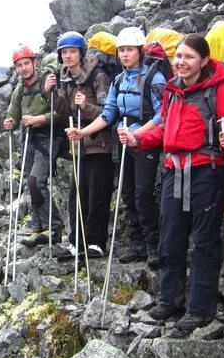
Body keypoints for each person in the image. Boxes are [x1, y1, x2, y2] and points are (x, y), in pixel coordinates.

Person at [118, 34, 224, 334]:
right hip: (175, 168)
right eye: (178, 56)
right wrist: (139, 138)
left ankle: (200, 309)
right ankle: (169, 299)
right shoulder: (174, 91)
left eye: (188, 57)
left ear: (203, 60)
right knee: (170, 237)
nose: (181, 62)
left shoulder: (219, 90)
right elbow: (165, 131)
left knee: (204, 240)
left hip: (207, 171)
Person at [66, 26, 165, 267]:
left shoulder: (154, 77)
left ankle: (153, 246)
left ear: (140, 51)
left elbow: (163, 113)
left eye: (129, 49)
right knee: (128, 193)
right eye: (121, 50)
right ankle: (137, 244)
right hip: (123, 138)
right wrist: (83, 132)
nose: (124, 54)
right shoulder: (119, 79)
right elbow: (109, 113)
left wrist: (137, 133)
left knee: (143, 193)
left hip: (145, 140)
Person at [45, 31, 114, 262]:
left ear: (81, 53)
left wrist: (85, 106)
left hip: (99, 144)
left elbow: (108, 112)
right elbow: (64, 111)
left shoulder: (98, 75)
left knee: (97, 195)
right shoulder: (65, 78)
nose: (68, 56)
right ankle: (76, 242)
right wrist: (52, 93)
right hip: (78, 146)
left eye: (72, 51)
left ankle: (95, 243)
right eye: (64, 52)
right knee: (77, 195)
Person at [4, 44, 65, 247]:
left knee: (37, 181)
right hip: (29, 139)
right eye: (19, 65)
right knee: (30, 184)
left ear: (34, 63)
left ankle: (54, 229)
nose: (23, 68)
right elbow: (12, 116)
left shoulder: (48, 83)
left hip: (49, 137)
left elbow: (63, 113)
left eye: (26, 63)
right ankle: (38, 228)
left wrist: (39, 119)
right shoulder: (19, 91)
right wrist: (9, 123)